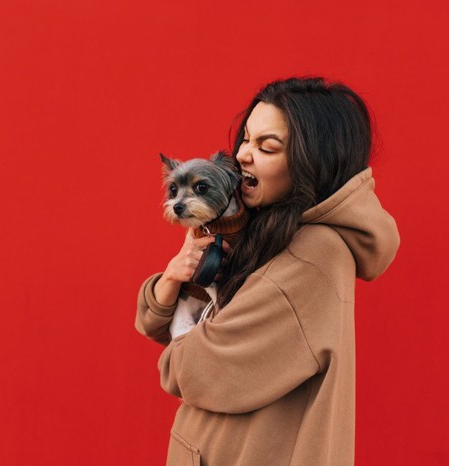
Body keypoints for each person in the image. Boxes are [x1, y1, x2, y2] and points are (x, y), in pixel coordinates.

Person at [135, 76, 400, 465]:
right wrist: (174, 278)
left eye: (266, 146)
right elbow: (155, 322)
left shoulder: (311, 255)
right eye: (246, 139)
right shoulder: (265, 230)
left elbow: (198, 370)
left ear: (312, 161)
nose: (243, 154)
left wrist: (179, 350)